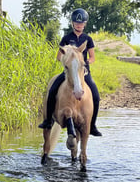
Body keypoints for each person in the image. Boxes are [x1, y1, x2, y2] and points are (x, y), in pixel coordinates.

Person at [38, 8, 102, 136]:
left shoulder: (88, 39)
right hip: (68, 72)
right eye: (76, 23)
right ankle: (48, 120)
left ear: (85, 24)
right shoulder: (66, 38)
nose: (79, 25)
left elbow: (92, 57)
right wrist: (67, 62)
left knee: (96, 96)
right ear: (72, 23)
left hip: (83, 73)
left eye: (81, 23)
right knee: (52, 90)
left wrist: (85, 62)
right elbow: (58, 56)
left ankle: (92, 125)